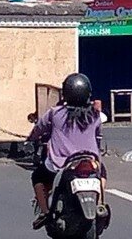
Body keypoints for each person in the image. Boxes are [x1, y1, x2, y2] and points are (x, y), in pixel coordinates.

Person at [27, 73, 106, 230]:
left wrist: (31, 138)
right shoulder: (95, 115)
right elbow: (98, 136)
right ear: (87, 93)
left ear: (65, 93)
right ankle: (100, 203)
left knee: (37, 177)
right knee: (101, 173)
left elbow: (39, 129)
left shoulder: (55, 113)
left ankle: (44, 212)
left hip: (61, 164)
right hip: (90, 162)